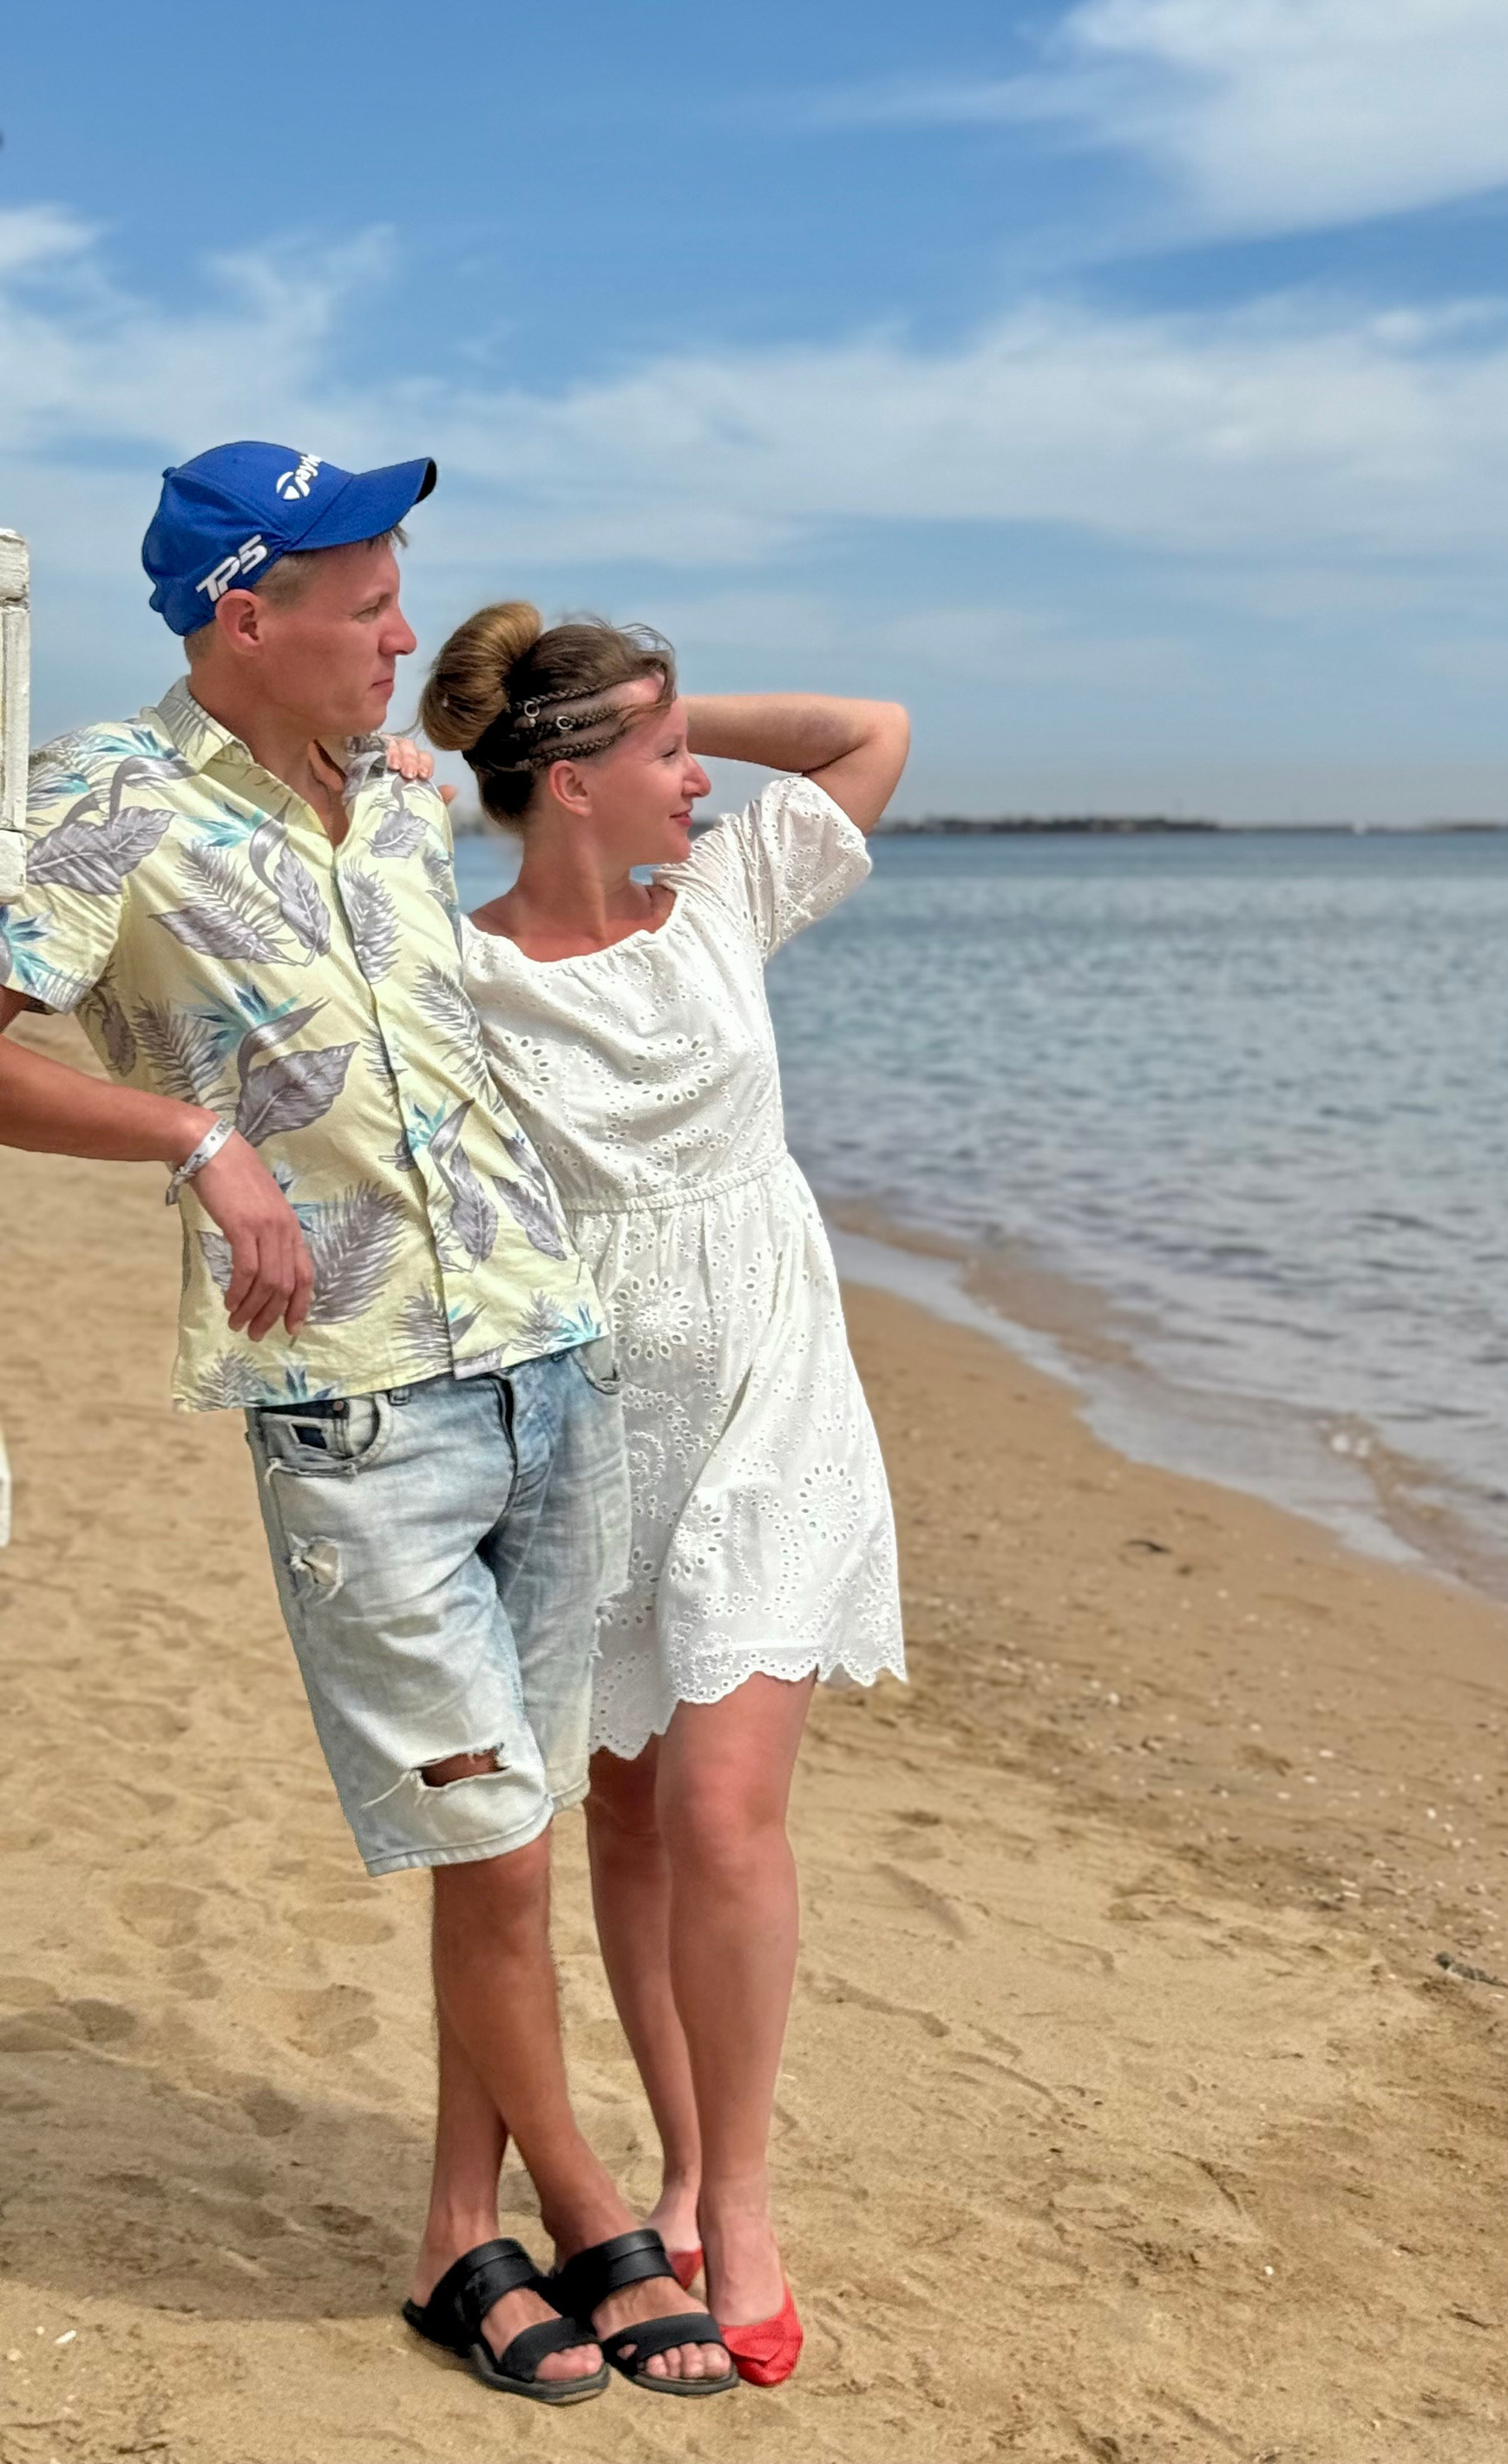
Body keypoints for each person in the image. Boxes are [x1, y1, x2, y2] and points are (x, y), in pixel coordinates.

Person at [0, 446, 733, 2402]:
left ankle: (449, 2243)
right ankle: (591, 2208)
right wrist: (192, 1137)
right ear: (248, 615)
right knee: (491, 1844)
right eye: (371, 604)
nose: (408, 634)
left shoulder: (400, 797)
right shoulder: (105, 800)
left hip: (547, 1360)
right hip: (355, 1405)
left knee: (508, 1836)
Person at [416, 601, 908, 2386]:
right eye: (669, 754)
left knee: (720, 1806)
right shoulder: (452, 968)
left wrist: (669, 698)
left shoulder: (720, 904)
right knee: (623, 1816)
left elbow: (869, 729)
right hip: (596, 1423)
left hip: (775, 1399)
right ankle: (676, 2175)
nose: (701, 779)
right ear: (567, 783)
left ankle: (739, 2200)